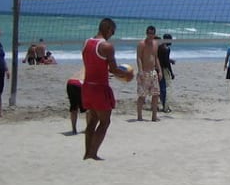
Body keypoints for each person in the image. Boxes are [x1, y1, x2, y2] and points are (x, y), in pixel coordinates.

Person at [82, 17, 131, 160]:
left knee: (92, 121)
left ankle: (87, 154)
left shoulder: (87, 43)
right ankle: (93, 154)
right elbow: (114, 69)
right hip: (99, 88)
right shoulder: (107, 46)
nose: (112, 35)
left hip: (87, 86)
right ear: (108, 29)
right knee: (105, 121)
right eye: (113, 32)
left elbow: (96, 64)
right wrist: (127, 74)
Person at [136, 25, 163, 122]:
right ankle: (139, 116)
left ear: (154, 34)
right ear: (146, 33)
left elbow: (156, 58)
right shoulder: (141, 44)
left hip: (153, 72)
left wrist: (159, 71)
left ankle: (154, 116)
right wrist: (140, 71)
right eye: (148, 33)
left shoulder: (155, 44)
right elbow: (138, 58)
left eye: (152, 33)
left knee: (156, 95)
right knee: (142, 95)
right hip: (144, 72)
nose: (150, 35)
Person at [158, 34, 175, 113]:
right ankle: (165, 107)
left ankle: (158, 105)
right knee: (166, 89)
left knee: (160, 88)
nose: (171, 41)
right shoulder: (166, 49)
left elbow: (162, 59)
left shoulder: (159, 47)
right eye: (170, 39)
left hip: (157, 69)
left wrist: (170, 60)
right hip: (164, 70)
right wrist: (171, 73)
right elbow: (166, 63)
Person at [66, 69, 84, 135]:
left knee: (74, 107)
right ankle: (88, 128)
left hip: (70, 82)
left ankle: (74, 130)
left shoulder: (83, 68)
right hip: (80, 83)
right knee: (88, 108)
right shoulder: (93, 67)